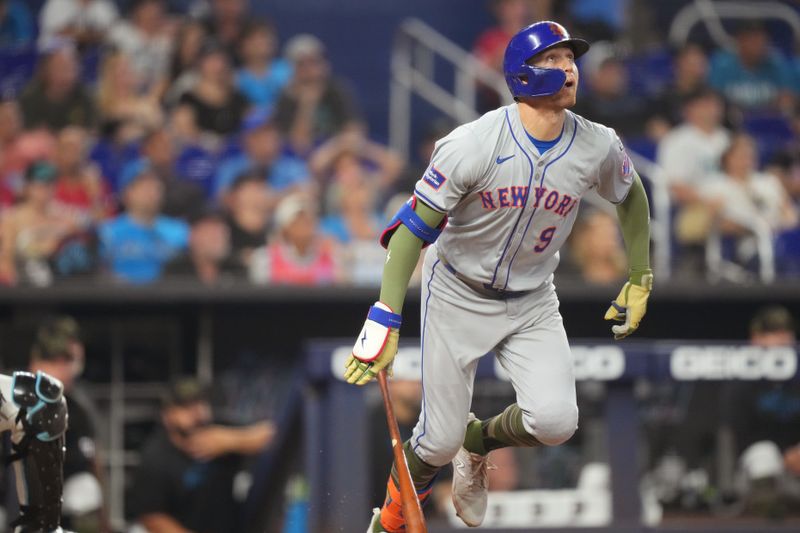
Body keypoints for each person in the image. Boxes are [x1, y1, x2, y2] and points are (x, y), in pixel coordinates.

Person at [343, 21, 652, 532]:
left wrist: (640, 275)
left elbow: (632, 193)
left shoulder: (597, 144)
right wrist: (385, 314)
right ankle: (391, 520)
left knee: (556, 422)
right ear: (523, 74)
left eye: (571, 58)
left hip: (532, 297)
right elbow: (409, 232)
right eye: (554, 60)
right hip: (459, 289)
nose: (569, 68)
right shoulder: (473, 143)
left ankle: (479, 442)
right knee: (435, 441)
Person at [127, 377, 275, 533]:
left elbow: (273, 434)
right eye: (186, 407)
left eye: (200, 403)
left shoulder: (220, 430)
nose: (196, 412)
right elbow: (152, 517)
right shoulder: (156, 457)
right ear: (167, 416)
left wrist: (232, 440)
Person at [29, 315, 109, 531]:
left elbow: (93, 464)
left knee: (85, 489)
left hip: (62, 514)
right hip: (16, 508)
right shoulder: (13, 395)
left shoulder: (76, 407)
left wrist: (104, 524)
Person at [273, 34, 362, 156]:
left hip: (338, 155)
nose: (309, 70)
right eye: (302, 64)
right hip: (301, 161)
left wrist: (332, 154)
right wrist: (307, 104)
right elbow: (298, 146)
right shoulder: (285, 99)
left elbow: (354, 132)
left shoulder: (337, 90)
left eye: (314, 62)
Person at [98, 165, 189, 283]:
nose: (151, 192)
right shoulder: (108, 232)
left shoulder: (180, 231)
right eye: (144, 186)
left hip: (168, 297)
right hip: (121, 297)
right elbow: (100, 273)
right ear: (127, 193)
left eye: (156, 187)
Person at [0, 161, 84, 286]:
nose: (45, 190)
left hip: (58, 284)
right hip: (23, 284)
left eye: (49, 184)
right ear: (28, 186)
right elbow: (5, 259)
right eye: (39, 185)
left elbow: (80, 229)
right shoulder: (12, 219)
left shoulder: (64, 216)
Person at [249, 193, 341, 285]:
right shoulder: (265, 259)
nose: (304, 225)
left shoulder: (331, 257)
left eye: (307, 220)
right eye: (297, 221)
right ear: (284, 229)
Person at [709, 21, 795, 113]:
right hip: (730, 122)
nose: (758, 45)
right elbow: (712, 100)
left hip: (768, 120)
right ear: (740, 41)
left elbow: (787, 98)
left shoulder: (776, 63)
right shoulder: (722, 65)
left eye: (762, 40)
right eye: (752, 41)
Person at [178, 41, 250, 138]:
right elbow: (184, 129)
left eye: (221, 60)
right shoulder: (189, 99)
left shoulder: (236, 96)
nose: (218, 66)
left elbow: (250, 122)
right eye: (211, 60)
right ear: (200, 63)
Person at [19, 41, 96, 131]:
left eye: (71, 67)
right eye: (60, 67)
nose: (66, 73)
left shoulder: (86, 97)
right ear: (46, 69)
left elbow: (91, 131)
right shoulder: (29, 97)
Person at [163, 209, 244, 284]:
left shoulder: (237, 271)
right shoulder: (175, 273)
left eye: (222, 231)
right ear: (192, 236)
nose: (219, 237)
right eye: (211, 232)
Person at [52, 126, 114, 222]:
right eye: (66, 148)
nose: (70, 154)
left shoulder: (98, 186)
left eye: (76, 148)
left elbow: (106, 225)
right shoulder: (47, 183)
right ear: (57, 151)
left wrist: (95, 195)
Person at [235, 19, 292, 113]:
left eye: (268, 36)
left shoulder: (288, 69)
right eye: (258, 37)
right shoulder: (236, 79)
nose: (266, 41)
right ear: (243, 45)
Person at [38, 0, 118, 49]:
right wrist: (89, 35)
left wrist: (79, 34)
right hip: (53, 49)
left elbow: (110, 33)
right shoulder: (58, 3)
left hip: (90, 53)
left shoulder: (104, 6)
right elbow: (58, 33)